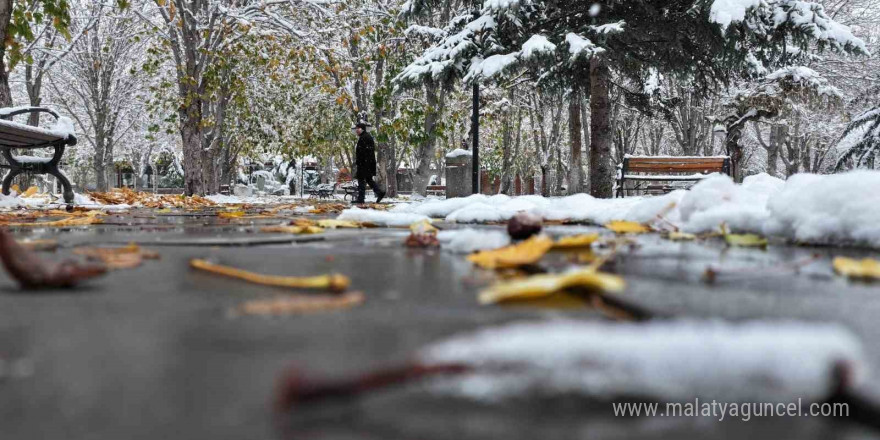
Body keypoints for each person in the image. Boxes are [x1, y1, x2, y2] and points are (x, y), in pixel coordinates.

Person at [353, 122, 386, 204]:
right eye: (356, 128)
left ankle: (361, 199)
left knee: (361, 180)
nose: (356, 130)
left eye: (358, 128)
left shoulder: (365, 137)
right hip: (367, 163)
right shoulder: (365, 136)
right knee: (368, 179)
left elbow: (364, 152)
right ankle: (379, 193)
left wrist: (361, 162)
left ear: (362, 129)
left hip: (365, 164)